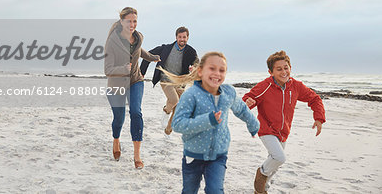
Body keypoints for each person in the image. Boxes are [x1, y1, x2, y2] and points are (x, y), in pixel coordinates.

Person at [163, 52, 260, 193]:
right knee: (190, 190)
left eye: (222, 70)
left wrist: (253, 125)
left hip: (218, 154)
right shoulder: (191, 95)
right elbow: (177, 124)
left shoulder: (228, 93)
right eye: (212, 68)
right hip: (193, 154)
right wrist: (207, 120)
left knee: (215, 190)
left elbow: (242, 110)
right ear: (201, 71)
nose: (217, 73)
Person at [242, 50, 326, 194]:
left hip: (283, 131)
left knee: (275, 164)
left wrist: (318, 118)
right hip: (265, 129)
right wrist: (247, 103)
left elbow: (314, 98)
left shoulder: (296, 86)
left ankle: (262, 190)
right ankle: (260, 174)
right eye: (279, 69)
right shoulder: (265, 86)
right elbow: (248, 99)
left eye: (286, 68)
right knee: (279, 158)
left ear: (290, 68)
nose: (283, 72)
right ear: (271, 72)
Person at [104, 7, 160, 169]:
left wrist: (152, 57)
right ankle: (116, 140)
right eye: (129, 21)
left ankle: (137, 155)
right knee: (119, 119)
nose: (132, 24)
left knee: (136, 112)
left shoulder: (137, 38)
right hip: (116, 86)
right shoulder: (112, 42)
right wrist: (123, 69)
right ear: (121, 22)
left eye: (135, 21)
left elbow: (138, 51)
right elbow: (107, 70)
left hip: (136, 80)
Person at [140, 26, 198, 135]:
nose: (182, 39)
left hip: (180, 82)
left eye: (184, 37)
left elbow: (197, 63)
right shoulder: (166, 49)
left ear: (187, 38)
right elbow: (147, 55)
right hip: (166, 80)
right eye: (180, 37)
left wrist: (194, 68)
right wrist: (142, 73)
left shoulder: (191, 51)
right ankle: (166, 110)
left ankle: (168, 129)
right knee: (174, 100)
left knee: (179, 107)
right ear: (176, 37)